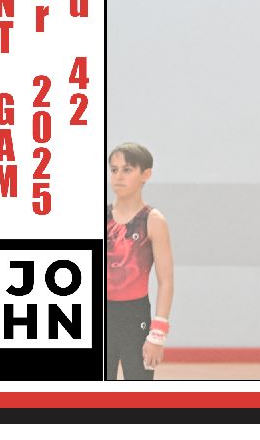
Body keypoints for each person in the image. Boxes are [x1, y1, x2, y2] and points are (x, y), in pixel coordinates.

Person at [107, 143, 174, 380]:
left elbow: (166, 281)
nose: (118, 176)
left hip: (135, 317)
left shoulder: (153, 220)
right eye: (114, 170)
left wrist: (158, 333)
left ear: (146, 174)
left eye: (127, 170)